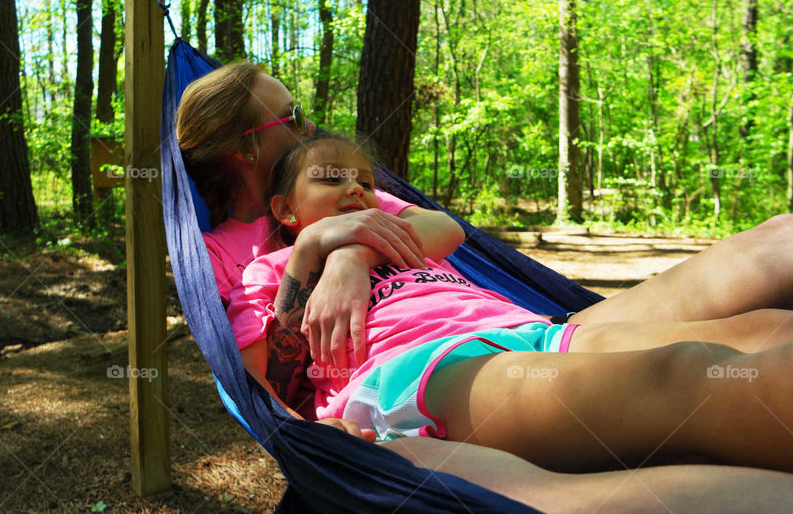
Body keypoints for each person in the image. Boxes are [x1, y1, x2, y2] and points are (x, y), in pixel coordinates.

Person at [230, 133, 793, 473]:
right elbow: (265, 389)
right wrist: (309, 253)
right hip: (417, 375)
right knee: (686, 373)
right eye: (332, 179)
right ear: (284, 210)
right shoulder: (269, 272)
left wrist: (354, 249)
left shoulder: (405, 240)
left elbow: (446, 228)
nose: (356, 188)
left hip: (535, 334)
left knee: (762, 332)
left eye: (364, 180)